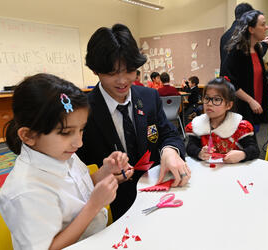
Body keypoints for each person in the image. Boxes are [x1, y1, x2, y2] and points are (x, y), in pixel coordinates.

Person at [0, 73, 133, 249]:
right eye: (65, 133)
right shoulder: (25, 191)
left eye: (81, 130)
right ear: (28, 135)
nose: (79, 142)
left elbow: (75, 191)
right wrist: (94, 205)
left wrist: (105, 173)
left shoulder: (60, 153)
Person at [77, 24, 189, 221]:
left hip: (155, 194)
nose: (122, 81)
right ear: (96, 71)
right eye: (112, 73)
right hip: (110, 207)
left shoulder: (149, 97)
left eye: (130, 71)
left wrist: (170, 151)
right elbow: (73, 170)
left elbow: (169, 134)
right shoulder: (83, 111)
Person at [185, 77, 260, 163]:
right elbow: (190, 147)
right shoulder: (198, 124)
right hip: (207, 170)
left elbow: (254, 149)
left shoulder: (238, 126)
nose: (209, 104)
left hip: (234, 170)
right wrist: (199, 153)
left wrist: (243, 154)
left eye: (217, 100)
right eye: (207, 98)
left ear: (228, 105)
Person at [221, 10, 268, 132]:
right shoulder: (236, 51)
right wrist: (250, 100)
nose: (266, 27)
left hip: (255, 107)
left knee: (252, 141)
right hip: (242, 109)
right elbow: (229, 81)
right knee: (245, 144)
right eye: (263, 24)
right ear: (251, 29)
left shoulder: (257, 49)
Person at [219, 3, 268, 69]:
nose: (266, 27)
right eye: (262, 24)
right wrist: (264, 45)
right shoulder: (244, 34)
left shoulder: (224, 36)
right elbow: (248, 60)